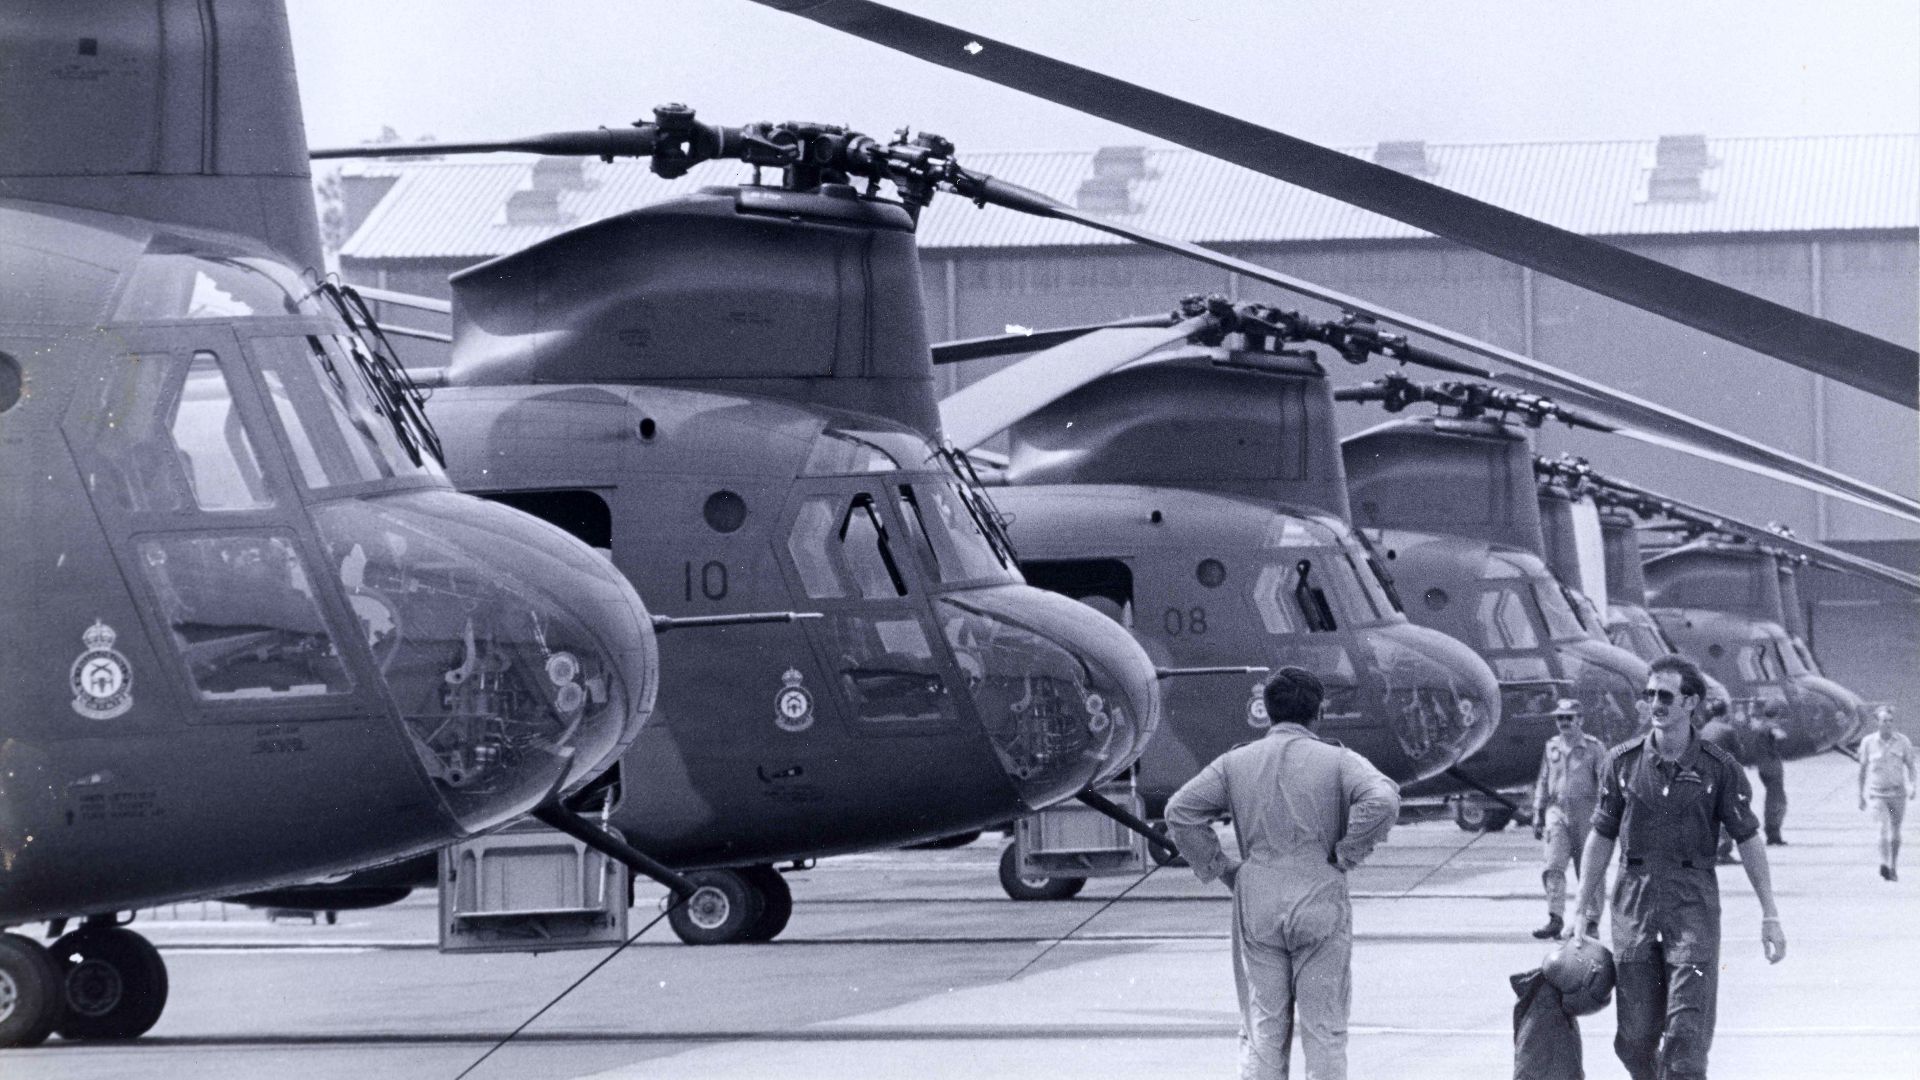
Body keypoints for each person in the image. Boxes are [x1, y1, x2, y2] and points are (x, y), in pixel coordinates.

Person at [1165, 666, 1400, 1080]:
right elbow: (1382, 800)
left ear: (1267, 711)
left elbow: (1179, 812)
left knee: (1262, 1031)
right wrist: (1347, 852)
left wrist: (1222, 869)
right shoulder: (1339, 760)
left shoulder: (1234, 762)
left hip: (1256, 895)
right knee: (1324, 1031)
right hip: (1319, 890)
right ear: (1318, 713)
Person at [1573, 654, 1786, 1080]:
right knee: (1633, 1040)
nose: (1655, 702)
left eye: (1665, 695)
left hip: (1693, 903)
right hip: (1633, 901)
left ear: (1691, 703)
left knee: (1687, 1041)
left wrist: (1770, 914)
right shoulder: (1621, 762)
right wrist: (1582, 910)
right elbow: (1601, 835)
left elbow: (1748, 839)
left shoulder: (1718, 767)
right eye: (1650, 694)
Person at [1530, 697, 1607, 940]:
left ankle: (1591, 920)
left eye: (1568, 718)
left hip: (1587, 814)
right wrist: (1537, 812)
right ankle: (1555, 918)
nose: (1563, 722)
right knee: (1553, 865)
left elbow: (1606, 784)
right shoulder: (1551, 746)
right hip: (1557, 812)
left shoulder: (1594, 748)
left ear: (1580, 720)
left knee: (1589, 869)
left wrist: (1605, 815)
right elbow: (1543, 779)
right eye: (1559, 718)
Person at [1858, 705, 1916, 882]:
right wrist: (1860, 795)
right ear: (1877, 722)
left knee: (1895, 830)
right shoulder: (1868, 743)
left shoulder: (1903, 742)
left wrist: (1914, 785)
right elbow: (1862, 770)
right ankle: (1883, 863)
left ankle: (1893, 865)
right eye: (1884, 721)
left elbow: (1911, 766)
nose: (1888, 724)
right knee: (1882, 828)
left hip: (1897, 796)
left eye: (1890, 721)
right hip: (1879, 796)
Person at [1748, 703, 1790, 845]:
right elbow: (1780, 735)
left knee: (1772, 799)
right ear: (1777, 714)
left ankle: (1772, 833)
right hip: (1772, 768)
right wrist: (1781, 741)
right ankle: (1773, 834)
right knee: (1778, 802)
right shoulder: (1771, 726)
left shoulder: (1760, 725)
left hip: (1763, 768)